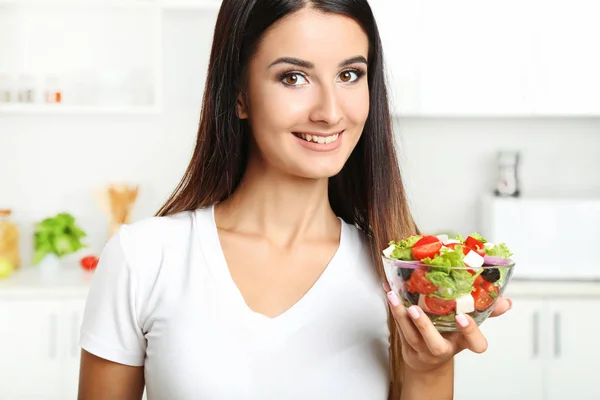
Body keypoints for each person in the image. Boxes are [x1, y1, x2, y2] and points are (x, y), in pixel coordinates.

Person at [77, 0, 512, 399]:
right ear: (239, 94)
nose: (329, 111)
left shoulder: (399, 277)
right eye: (294, 77)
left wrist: (432, 368)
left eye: (349, 75)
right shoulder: (144, 258)